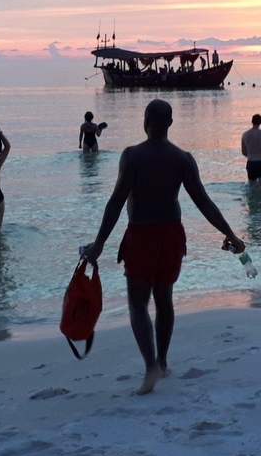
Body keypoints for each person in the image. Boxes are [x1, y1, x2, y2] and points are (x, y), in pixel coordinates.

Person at [83, 100, 245, 395]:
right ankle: (163, 360)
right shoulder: (183, 159)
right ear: (170, 124)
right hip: (172, 235)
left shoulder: (131, 157)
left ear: (145, 122)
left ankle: (151, 367)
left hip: (142, 234)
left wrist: (99, 244)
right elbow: (204, 202)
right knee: (164, 299)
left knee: (137, 303)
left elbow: (116, 203)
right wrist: (230, 233)